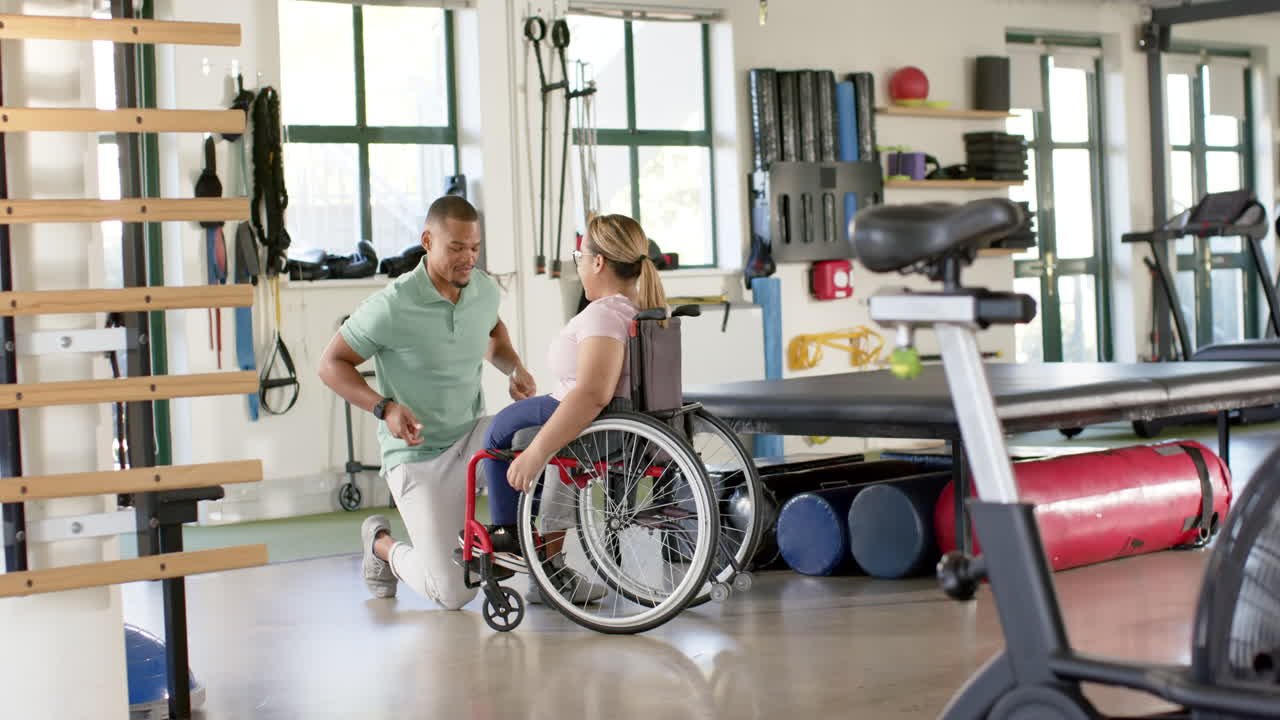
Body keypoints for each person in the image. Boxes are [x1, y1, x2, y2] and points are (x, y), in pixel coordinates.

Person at [318, 194, 537, 610]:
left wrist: (514, 368)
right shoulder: (392, 305)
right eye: (456, 248)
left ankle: (544, 564)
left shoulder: (482, 289)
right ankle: (382, 546)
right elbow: (331, 364)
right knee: (453, 593)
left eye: (474, 248)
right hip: (416, 455)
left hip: (473, 437)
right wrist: (384, 407)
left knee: (537, 433)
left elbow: (493, 334)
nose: (468, 258)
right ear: (427, 240)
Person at [477, 213, 668, 602]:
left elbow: (591, 394)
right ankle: (541, 561)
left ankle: (510, 539)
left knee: (499, 435)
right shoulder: (635, 308)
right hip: (612, 417)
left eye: (580, 256)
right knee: (518, 431)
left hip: (592, 417)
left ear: (598, 262)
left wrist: (536, 452)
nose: (578, 263)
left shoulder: (604, 314)